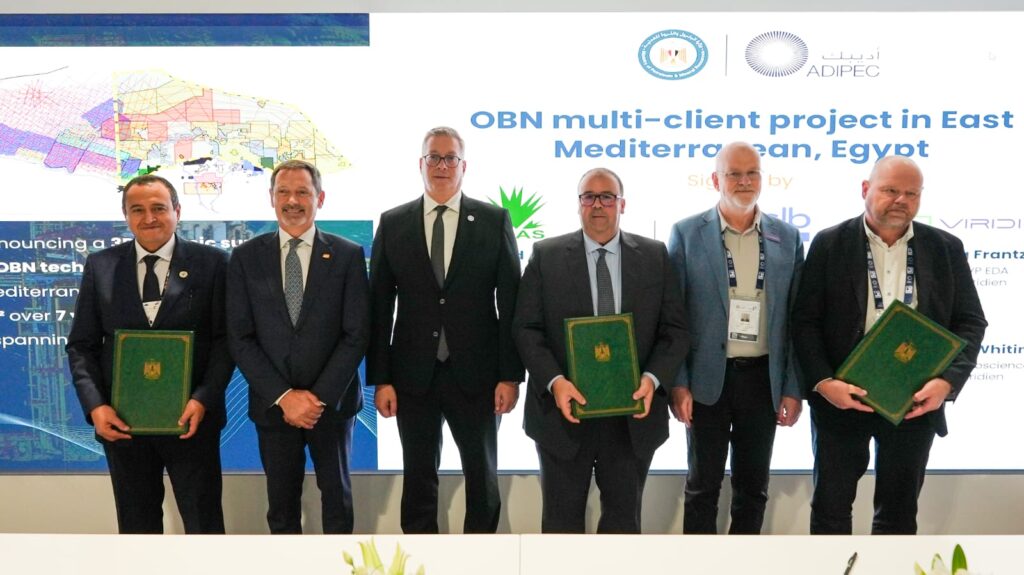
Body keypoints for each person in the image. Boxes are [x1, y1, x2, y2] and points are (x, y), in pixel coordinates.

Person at [791, 156, 987, 534]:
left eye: (912, 193)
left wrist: (947, 382)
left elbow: (971, 322)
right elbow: (805, 322)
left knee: (898, 513)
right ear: (866, 190)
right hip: (843, 398)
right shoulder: (830, 243)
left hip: (914, 400)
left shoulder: (945, 247)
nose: (901, 200)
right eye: (891, 190)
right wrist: (823, 383)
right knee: (831, 508)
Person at [514, 167, 688, 533]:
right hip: (562, 415)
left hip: (632, 417)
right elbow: (526, 329)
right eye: (588, 197)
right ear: (578, 204)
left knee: (623, 527)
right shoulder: (546, 256)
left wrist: (653, 380)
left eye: (607, 197)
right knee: (560, 526)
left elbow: (674, 329)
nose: (597, 205)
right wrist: (555, 382)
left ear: (622, 204)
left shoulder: (655, 256)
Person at [367, 126, 522, 533]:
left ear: (463, 166)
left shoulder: (493, 220)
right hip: (412, 375)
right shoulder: (393, 222)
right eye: (433, 157)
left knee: (482, 478)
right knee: (418, 479)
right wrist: (381, 379)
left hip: (479, 375)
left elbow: (511, 304)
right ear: (420, 164)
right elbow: (379, 307)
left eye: (450, 157)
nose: (442, 165)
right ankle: (422, 555)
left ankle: (480, 557)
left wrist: (510, 375)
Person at [66, 174, 234, 533]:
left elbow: (225, 341)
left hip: (192, 421)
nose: (149, 218)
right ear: (126, 216)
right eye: (137, 210)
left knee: (204, 526)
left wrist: (204, 398)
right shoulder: (101, 266)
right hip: (123, 423)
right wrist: (96, 406)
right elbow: (81, 345)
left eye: (159, 208)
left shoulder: (213, 263)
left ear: (177, 211)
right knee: (137, 530)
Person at [667, 142, 804, 534]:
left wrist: (792, 388)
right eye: (734, 174)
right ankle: (700, 562)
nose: (745, 181)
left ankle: (745, 561)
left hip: (762, 381)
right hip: (707, 381)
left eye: (752, 173)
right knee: (702, 487)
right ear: (716, 180)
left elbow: (797, 321)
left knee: (753, 489)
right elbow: (673, 318)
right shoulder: (687, 233)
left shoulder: (787, 237)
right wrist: (678, 383)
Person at [226, 159, 369, 534]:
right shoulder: (245, 258)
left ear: (319, 198)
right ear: (271, 198)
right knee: (281, 507)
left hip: (331, 407)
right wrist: (284, 397)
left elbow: (356, 334)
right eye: (284, 192)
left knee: (337, 502)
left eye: (302, 192)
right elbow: (240, 337)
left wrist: (317, 398)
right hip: (274, 406)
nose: (292, 201)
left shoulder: (348, 255)